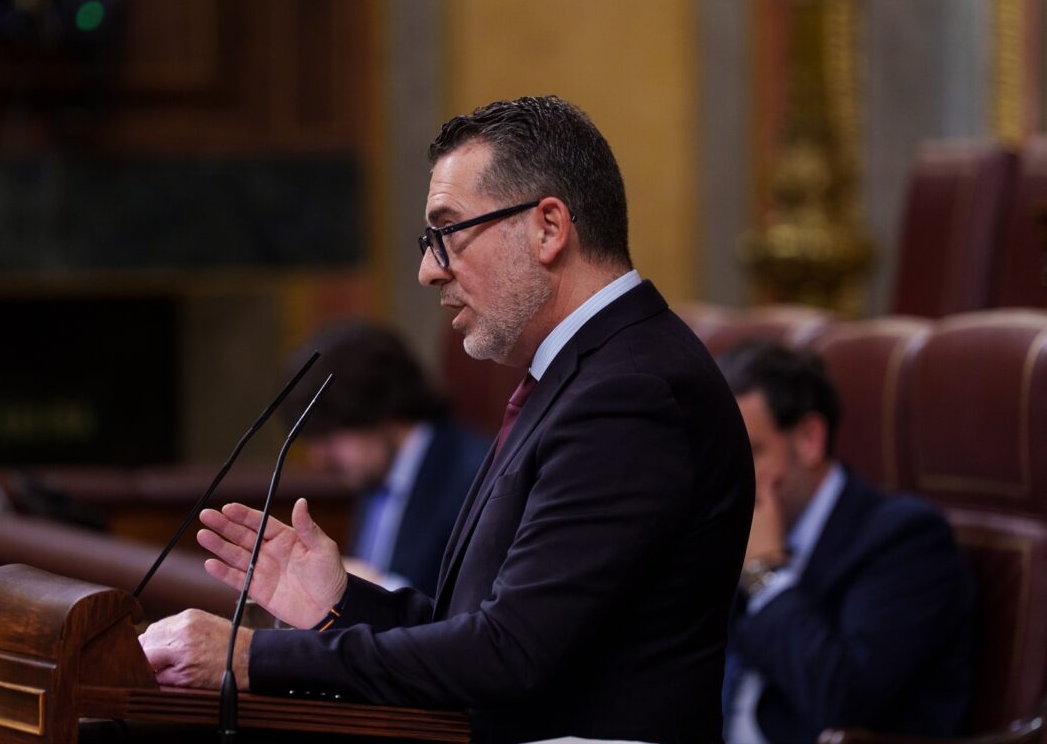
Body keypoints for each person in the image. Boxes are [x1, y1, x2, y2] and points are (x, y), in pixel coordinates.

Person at [139, 95, 755, 743]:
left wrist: (249, 658)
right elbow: (485, 627)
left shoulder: (631, 393)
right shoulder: (585, 378)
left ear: (548, 227)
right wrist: (339, 602)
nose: (429, 269)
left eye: (447, 232)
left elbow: (509, 655)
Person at [716, 340, 975, 744]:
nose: (727, 478)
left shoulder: (905, 540)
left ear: (809, 439)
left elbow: (844, 701)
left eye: (749, 452)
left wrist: (765, 573)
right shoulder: (733, 521)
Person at [288, 319, 489, 595]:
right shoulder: (377, 472)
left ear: (383, 410)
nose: (319, 460)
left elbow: (468, 611)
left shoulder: (475, 477)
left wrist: (367, 588)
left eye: (328, 436)